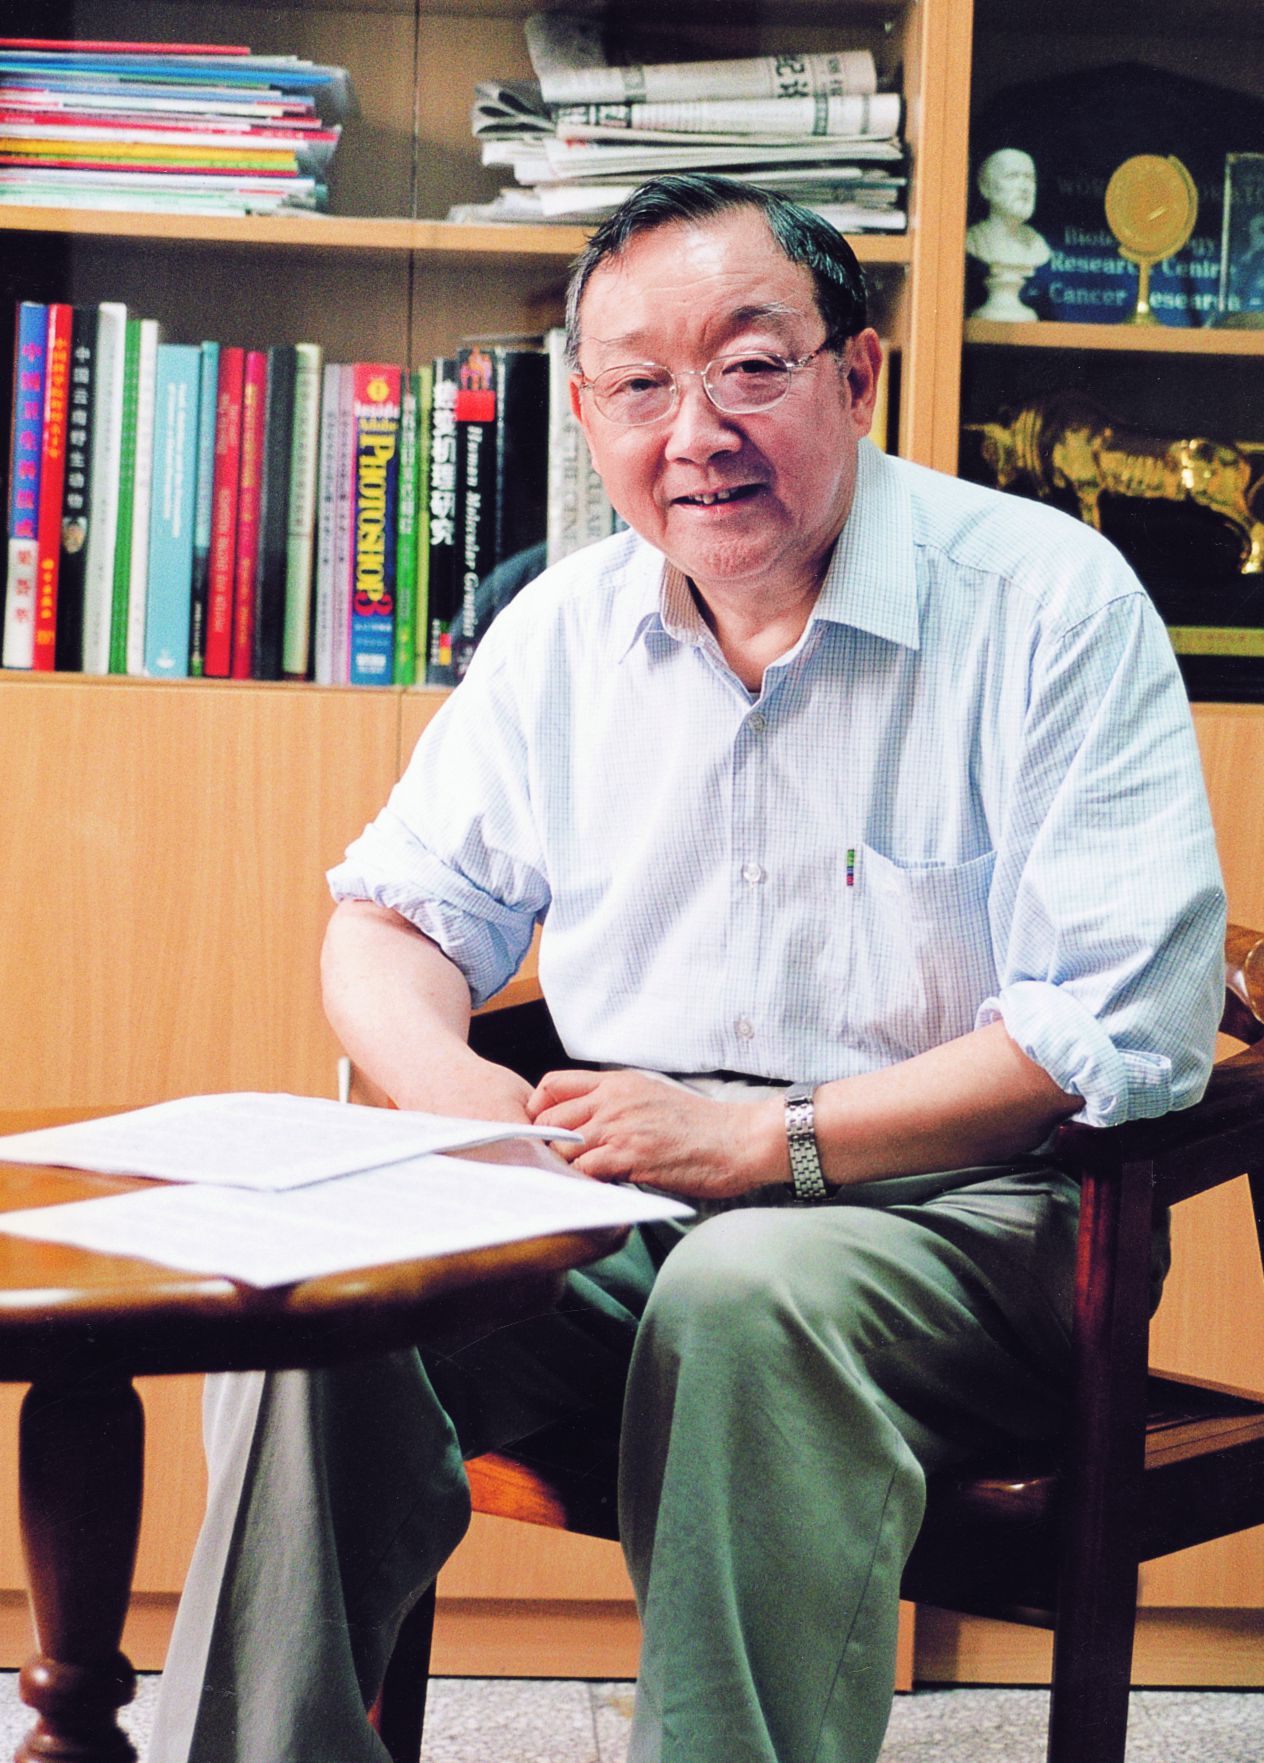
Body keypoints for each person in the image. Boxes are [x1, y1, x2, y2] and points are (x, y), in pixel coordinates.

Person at [151, 173, 1225, 1763]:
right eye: (641, 386)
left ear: (858, 374)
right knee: (326, 1303)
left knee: (741, 1296)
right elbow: (391, 919)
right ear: (587, 414)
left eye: (751, 367)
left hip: (970, 1213)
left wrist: (765, 1144)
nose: (697, 432)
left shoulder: (1047, 606)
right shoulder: (566, 630)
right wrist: (459, 1100)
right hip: (621, 1188)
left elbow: (1119, 1026)